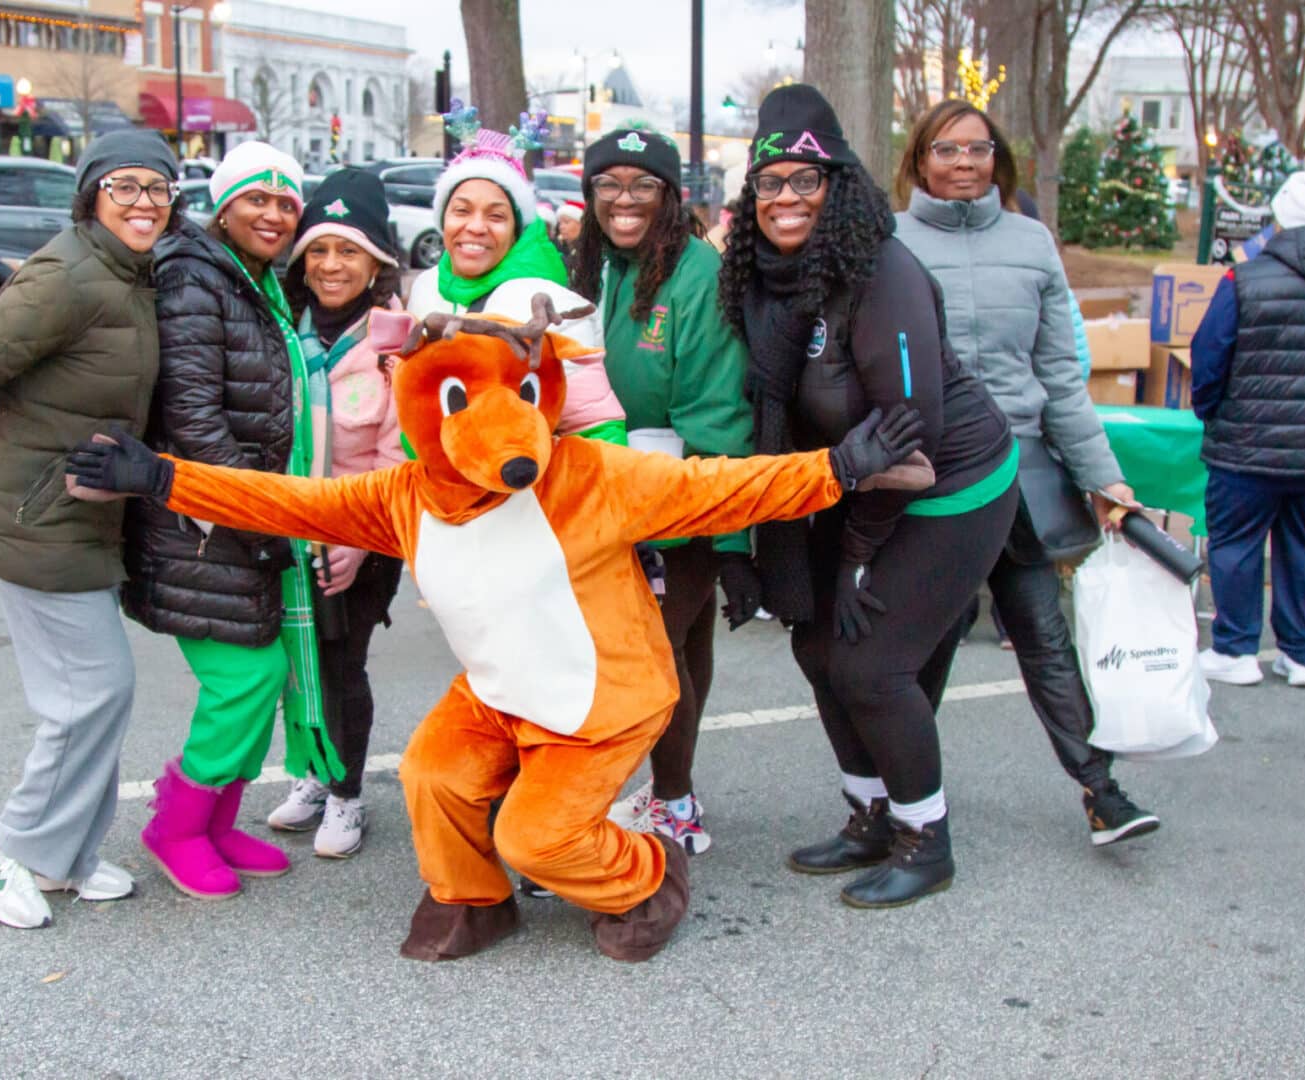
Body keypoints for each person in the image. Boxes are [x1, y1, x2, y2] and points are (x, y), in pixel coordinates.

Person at [64, 298, 935, 960]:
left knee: (537, 834)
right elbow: (292, 502)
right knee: (432, 776)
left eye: (524, 392)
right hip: (499, 693)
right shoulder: (404, 496)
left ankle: (646, 875)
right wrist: (162, 478)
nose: (512, 427)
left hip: (602, 697)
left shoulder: (591, 474)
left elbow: (721, 486)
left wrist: (841, 468)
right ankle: (475, 900)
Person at [719, 85, 1019, 908]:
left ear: (839, 186)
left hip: (949, 482)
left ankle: (926, 839)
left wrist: (855, 555)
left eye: (805, 181)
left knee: (870, 663)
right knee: (816, 650)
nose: (786, 199)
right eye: (770, 182)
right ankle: (870, 815)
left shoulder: (879, 268)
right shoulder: (764, 279)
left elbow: (908, 428)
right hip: (852, 484)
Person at [0, 130, 180, 929]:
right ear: (92, 195)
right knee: (89, 691)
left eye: (158, 188)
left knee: (98, 690)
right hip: (32, 514)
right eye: (125, 186)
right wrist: (22, 434)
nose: (144, 201)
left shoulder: (126, 271)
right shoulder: (67, 275)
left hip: (73, 513)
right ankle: (6, 846)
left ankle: (62, 857)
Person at [893, 98, 1161, 846]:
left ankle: (1101, 791)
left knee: (1044, 635)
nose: (964, 163)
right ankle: (895, 799)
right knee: (928, 645)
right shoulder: (889, 241)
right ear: (919, 160)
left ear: (997, 162)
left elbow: (1061, 381)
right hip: (934, 477)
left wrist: (1106, 482)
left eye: (979, 150)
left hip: (1022, 471)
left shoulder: (1032, 242)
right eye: (947, 150)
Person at [119, 141, 324, 900]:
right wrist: (266, 512)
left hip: (244, 514)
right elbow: (195, 418)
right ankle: (175, 826)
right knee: (244, 677)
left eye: (285, 202)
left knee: (261, 673)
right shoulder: (194, 276)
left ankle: (214, 822)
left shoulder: (254, 280)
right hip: (203, 519)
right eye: (256, 199)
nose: (273, 214)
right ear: (225, 204)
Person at [570, 127, 756, 855]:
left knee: (647, 652)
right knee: (683, 642)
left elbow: (716, 413)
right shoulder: (598, 267)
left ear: (671, 195)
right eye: (608, 184)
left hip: (682, 500)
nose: (624, 200)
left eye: (642, 185)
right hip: (613, 496)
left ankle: (671, 801)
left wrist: (720, 533)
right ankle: (675, 791)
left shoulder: (694, 274)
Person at [262, 168, 410, 855]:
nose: (330, 266)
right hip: (288, 529)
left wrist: (357, 544)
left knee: (343, 663)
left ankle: (348, 796)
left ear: (377, 261)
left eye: (349, 251)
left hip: (362, 536)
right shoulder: (282, 330)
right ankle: (312, 773)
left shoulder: (391, 346)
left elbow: (394, 461)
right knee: (298, 660)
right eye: (318, 250)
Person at [407, 107, 625, 444]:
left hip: (524, 490)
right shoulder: (425, 288)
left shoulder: (550, 305)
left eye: (496, 216)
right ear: (443, 218)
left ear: (515, 230)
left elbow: (595, 430)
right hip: (435, 492)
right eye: (461, 210)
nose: (475, 227)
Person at [1191, 175, 1305, 689]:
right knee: (1302, 546)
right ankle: (1301, 652)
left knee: (1235, 545)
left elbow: (1209, 356)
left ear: (1277, 219)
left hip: (1245, 446)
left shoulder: (1243, 280)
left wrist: (1211, 412)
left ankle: (1236, 648)